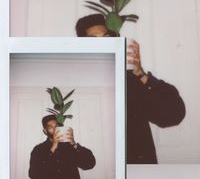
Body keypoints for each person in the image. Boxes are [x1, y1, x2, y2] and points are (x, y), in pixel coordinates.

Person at [75, 14, 186, 164]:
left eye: (107, 39)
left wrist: (141, 74)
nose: (102, 45)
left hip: (139, 169)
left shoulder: (132, 79)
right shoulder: (77, 84)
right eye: (93, 40)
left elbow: (173, 116)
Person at [29, 114, 96, 179]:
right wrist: (52, 149)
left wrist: (74, 145)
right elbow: (34, 175)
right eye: (50, 127)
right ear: (45, 131)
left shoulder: (70, 146)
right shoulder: (39, 149)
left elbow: (89, 164)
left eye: (56, 126)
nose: (55, 130)